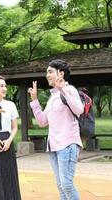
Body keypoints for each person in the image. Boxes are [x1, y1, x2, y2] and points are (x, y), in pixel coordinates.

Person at [28, 59, 83, 200]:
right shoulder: (53, 97)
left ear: (61, 73)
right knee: (60, 185)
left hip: (67, 144)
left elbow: (79, 109)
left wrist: (63, 88)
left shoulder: (69, 90)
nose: (47, 75)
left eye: (50, 71)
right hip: (53, 147)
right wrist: (34, 100)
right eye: (47, 72)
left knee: (67, 184)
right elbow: (42, 121)